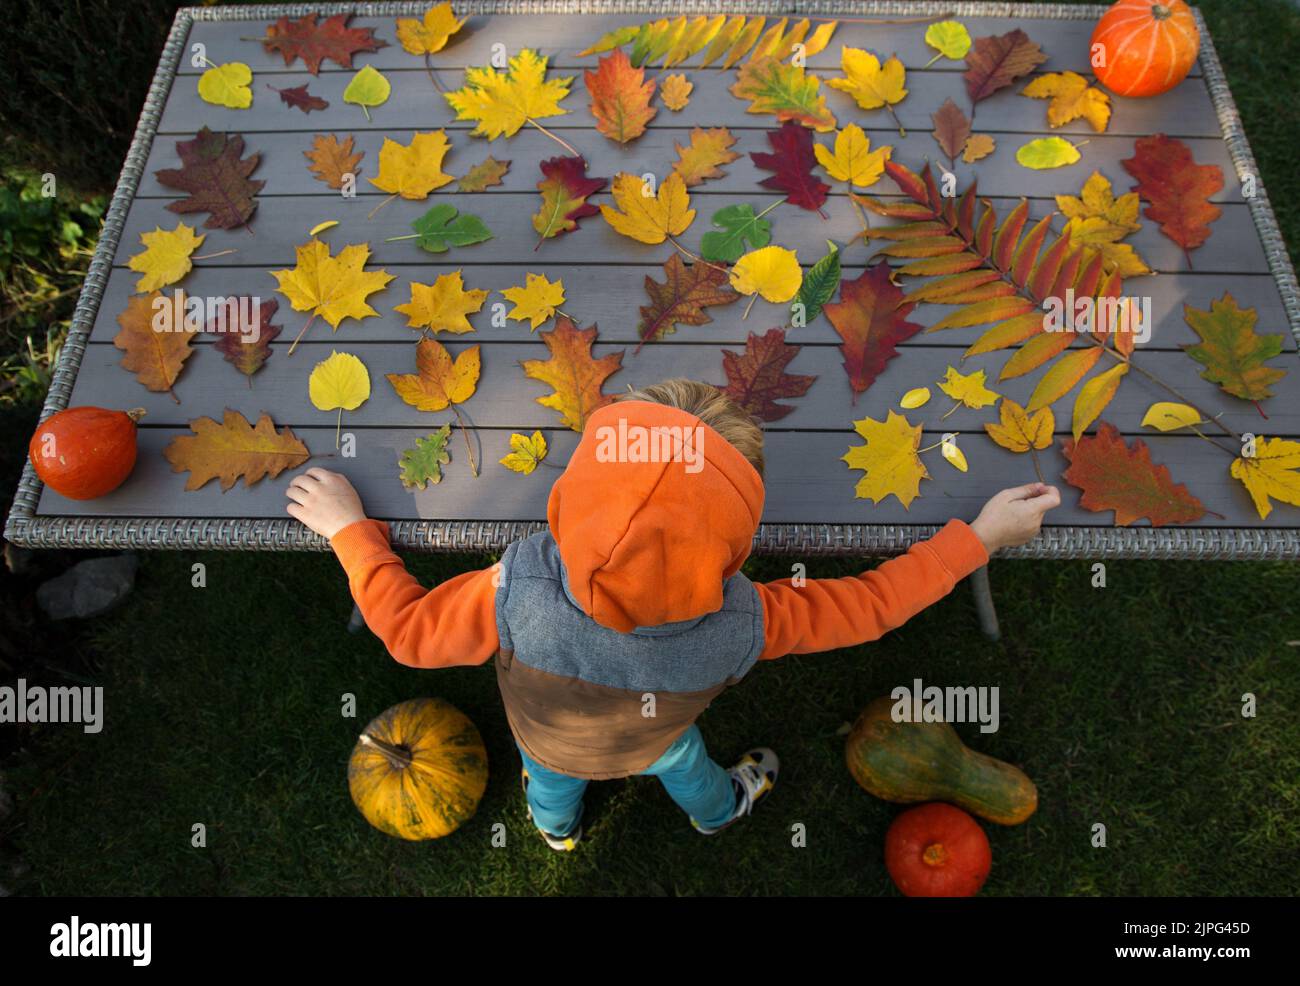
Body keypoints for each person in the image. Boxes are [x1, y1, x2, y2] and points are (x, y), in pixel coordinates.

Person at [286, 379, 1059, 850]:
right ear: (735, 541)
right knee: (690, 771)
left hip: (547, 745)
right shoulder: (745, 622)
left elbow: (408, 633)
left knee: (549, 786)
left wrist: (349, 532)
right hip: (658, 739)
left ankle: (556, 830)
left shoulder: (513, 587)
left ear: (567, 498)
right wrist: (979, 539)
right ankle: (720, 813)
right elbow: (874, 606)